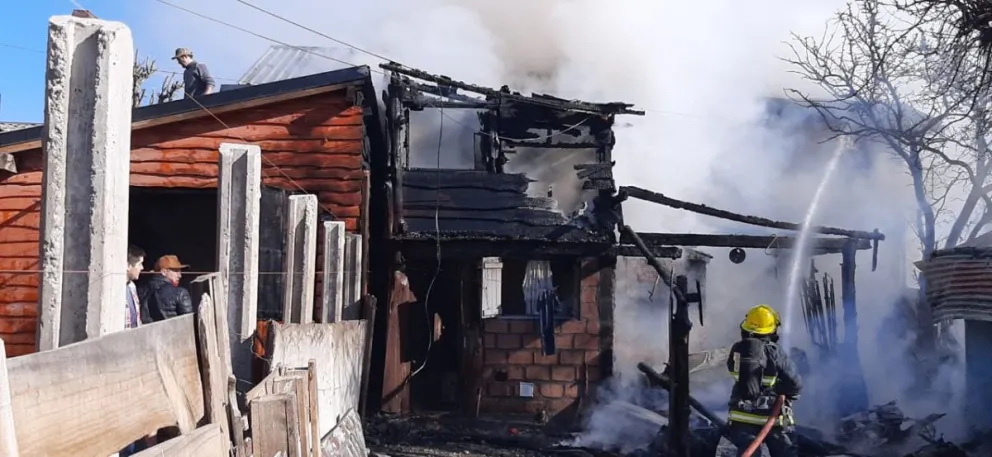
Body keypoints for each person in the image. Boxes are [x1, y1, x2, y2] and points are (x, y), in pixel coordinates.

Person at [724, 304, 802, 457]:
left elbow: (733, 370)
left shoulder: (737, 350)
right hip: (774, 421)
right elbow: (794, 383)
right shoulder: (774, 352)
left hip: (741, 420)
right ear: (771, 330)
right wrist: (785, 392)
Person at [139, 255, 193, 323]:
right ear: (164, 272)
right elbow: (188, 323)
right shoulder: (180, 293)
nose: (180, 275)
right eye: (176, 271)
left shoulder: (139, 291)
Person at [125, 245, 145, 329]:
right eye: (139, 264)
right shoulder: (114, 290)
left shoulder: (132, 286)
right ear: (128, 266)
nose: (142, 268)